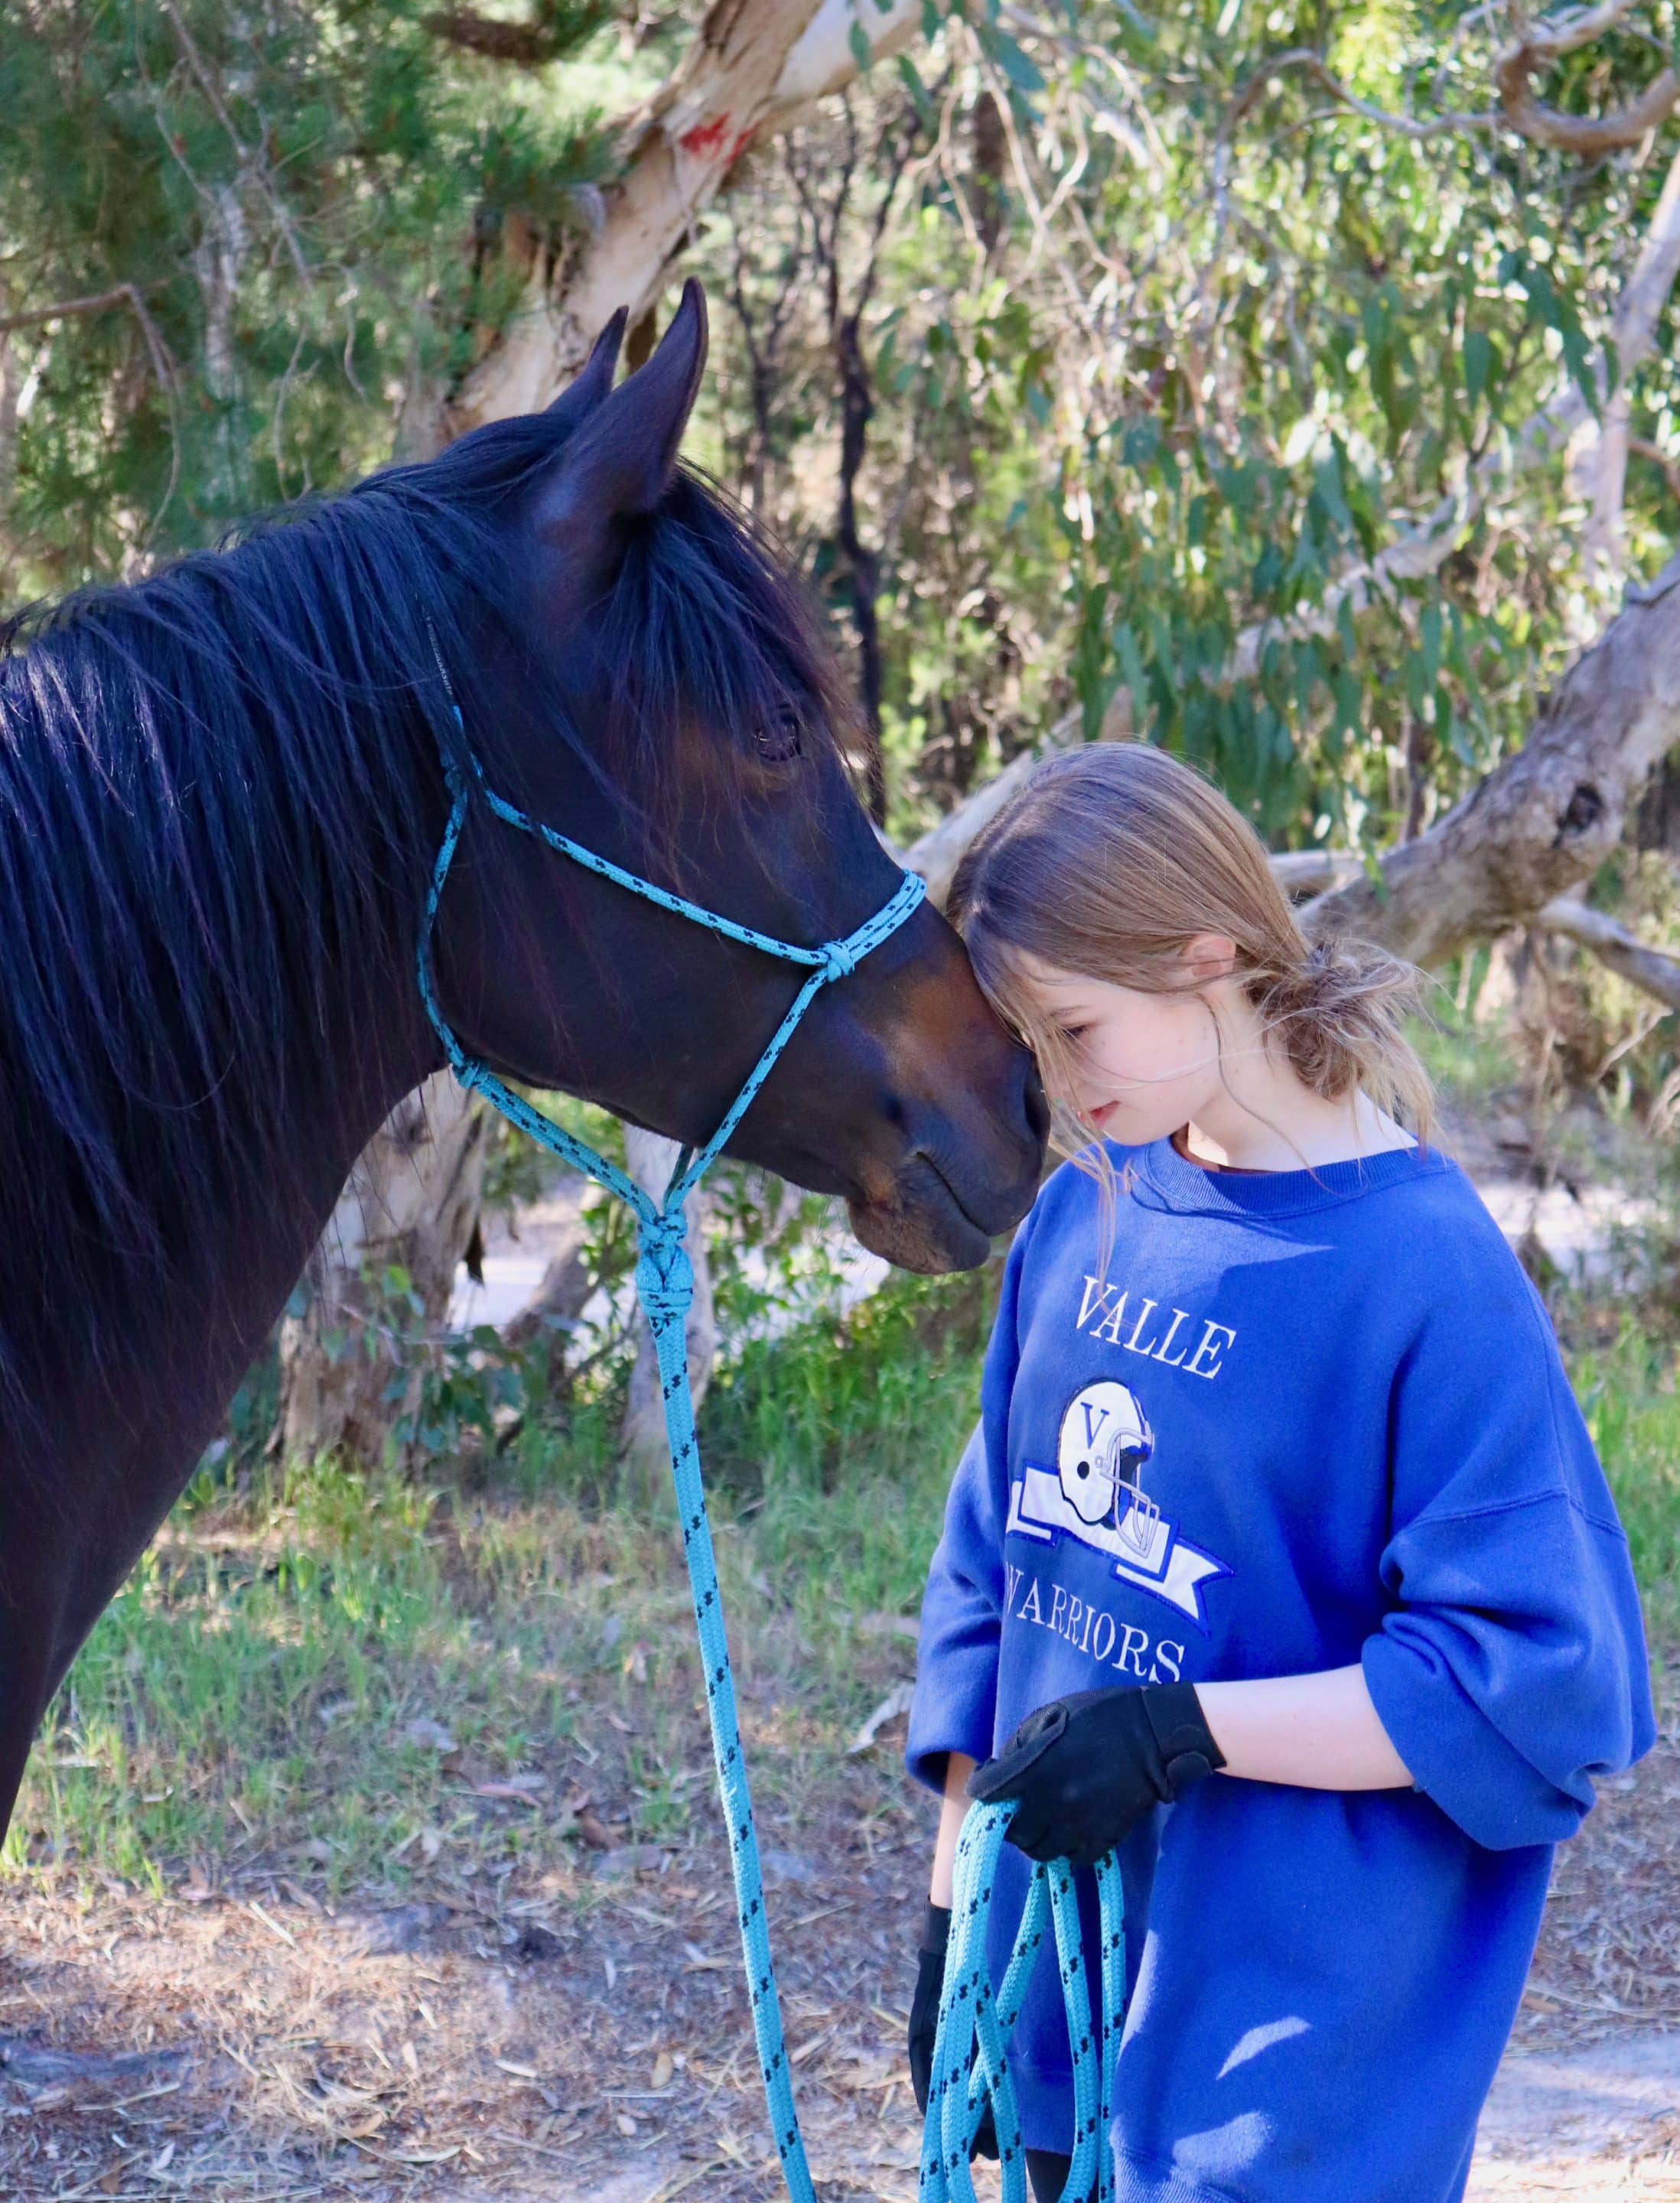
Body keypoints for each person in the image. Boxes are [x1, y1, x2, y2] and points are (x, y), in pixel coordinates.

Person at [903, 744, 1654, 2203]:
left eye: (1074, 1030)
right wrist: (953, 1931)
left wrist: (1184, 1731)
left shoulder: (1425, 1276)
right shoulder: (1085, 1217)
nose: (1054, 1086)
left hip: (1284, 2087)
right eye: (1028, 1046)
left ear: (1208, 959)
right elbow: (991, 1578)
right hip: (1060, 2022)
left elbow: (1529, 1687)